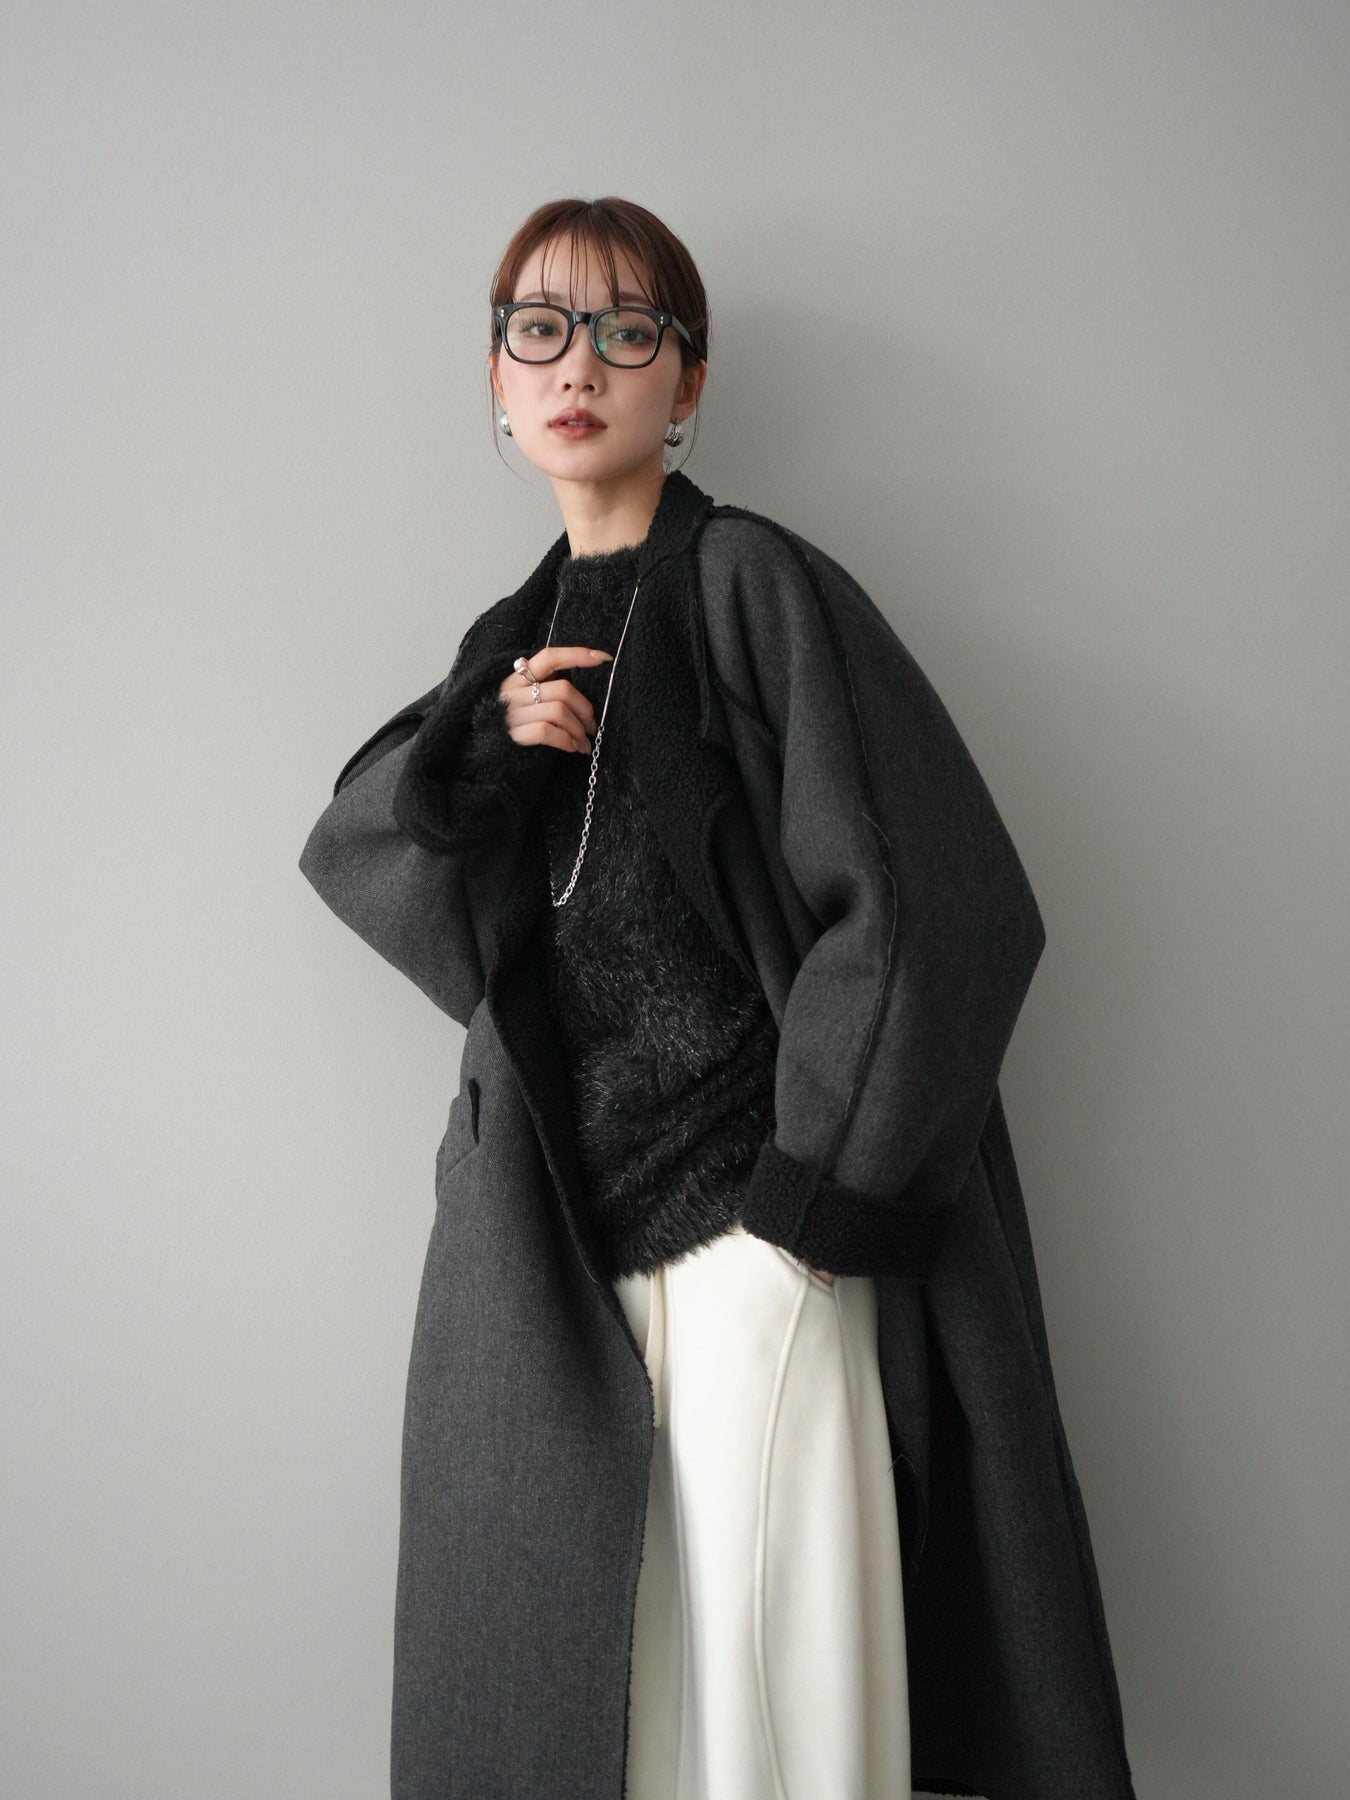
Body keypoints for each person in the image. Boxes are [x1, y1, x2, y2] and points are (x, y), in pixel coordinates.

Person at [299, 197, 1138, 1800]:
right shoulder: (510, 643)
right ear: (495, 379)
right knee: (608, 1699)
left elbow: (936, 904)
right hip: (560, 1247)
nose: (578, 365)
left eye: (626, 330)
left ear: (685, 383)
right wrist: (481, 758)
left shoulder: (750, 581)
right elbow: (372, 861)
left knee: (774, 1699)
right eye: (538, 329)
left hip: (757, 1234)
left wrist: (808, 1205)